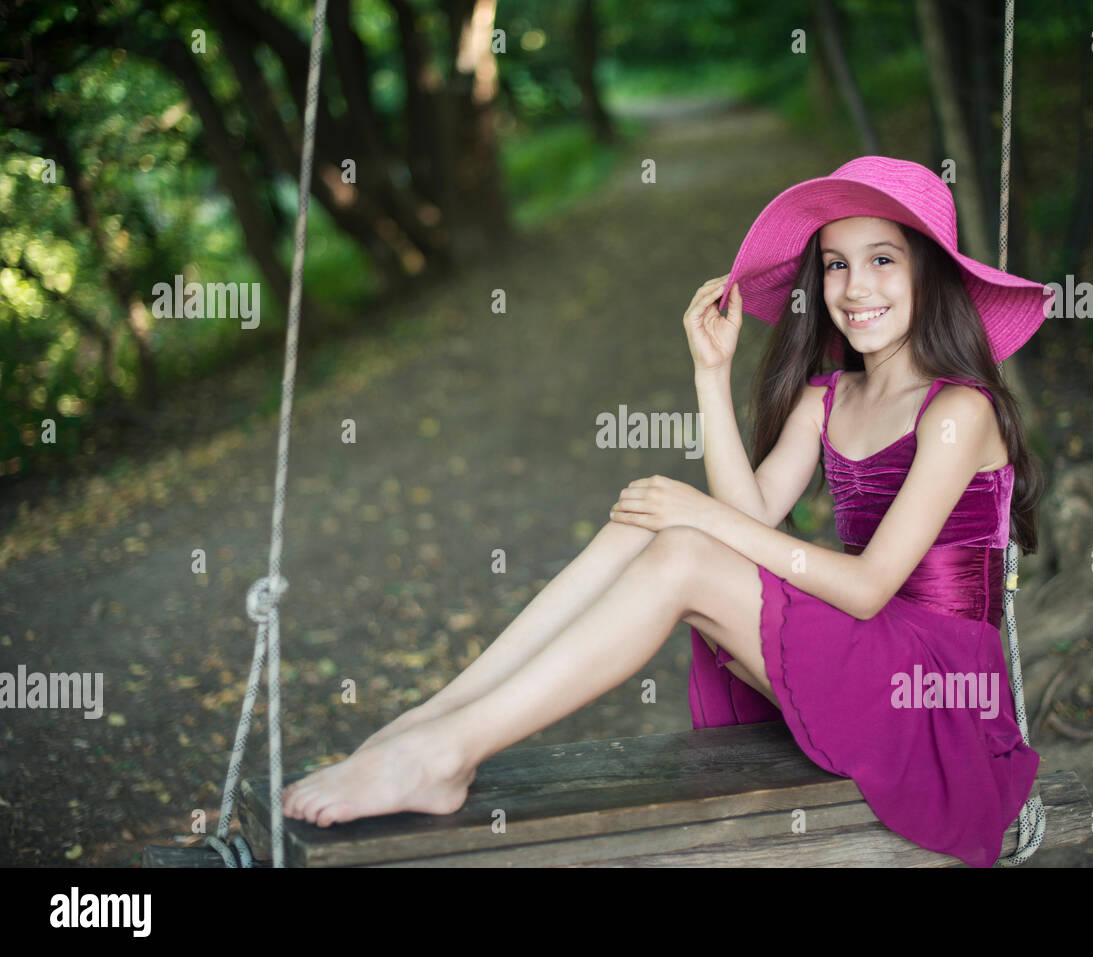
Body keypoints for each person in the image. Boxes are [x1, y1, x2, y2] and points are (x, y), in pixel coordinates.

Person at [284, 155, 1050, 868]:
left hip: (936, 692)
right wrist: (709, 376)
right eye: (836, 265)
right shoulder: (828, 398)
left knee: (685, 541)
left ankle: (444, 755)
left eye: (884, 260)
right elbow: (749, 513)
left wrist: (702, 519)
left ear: (932, 276)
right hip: (870, 653)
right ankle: (434, 719)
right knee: (655, 519)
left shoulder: (958, 411)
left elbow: (867, 586)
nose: (856, 288)